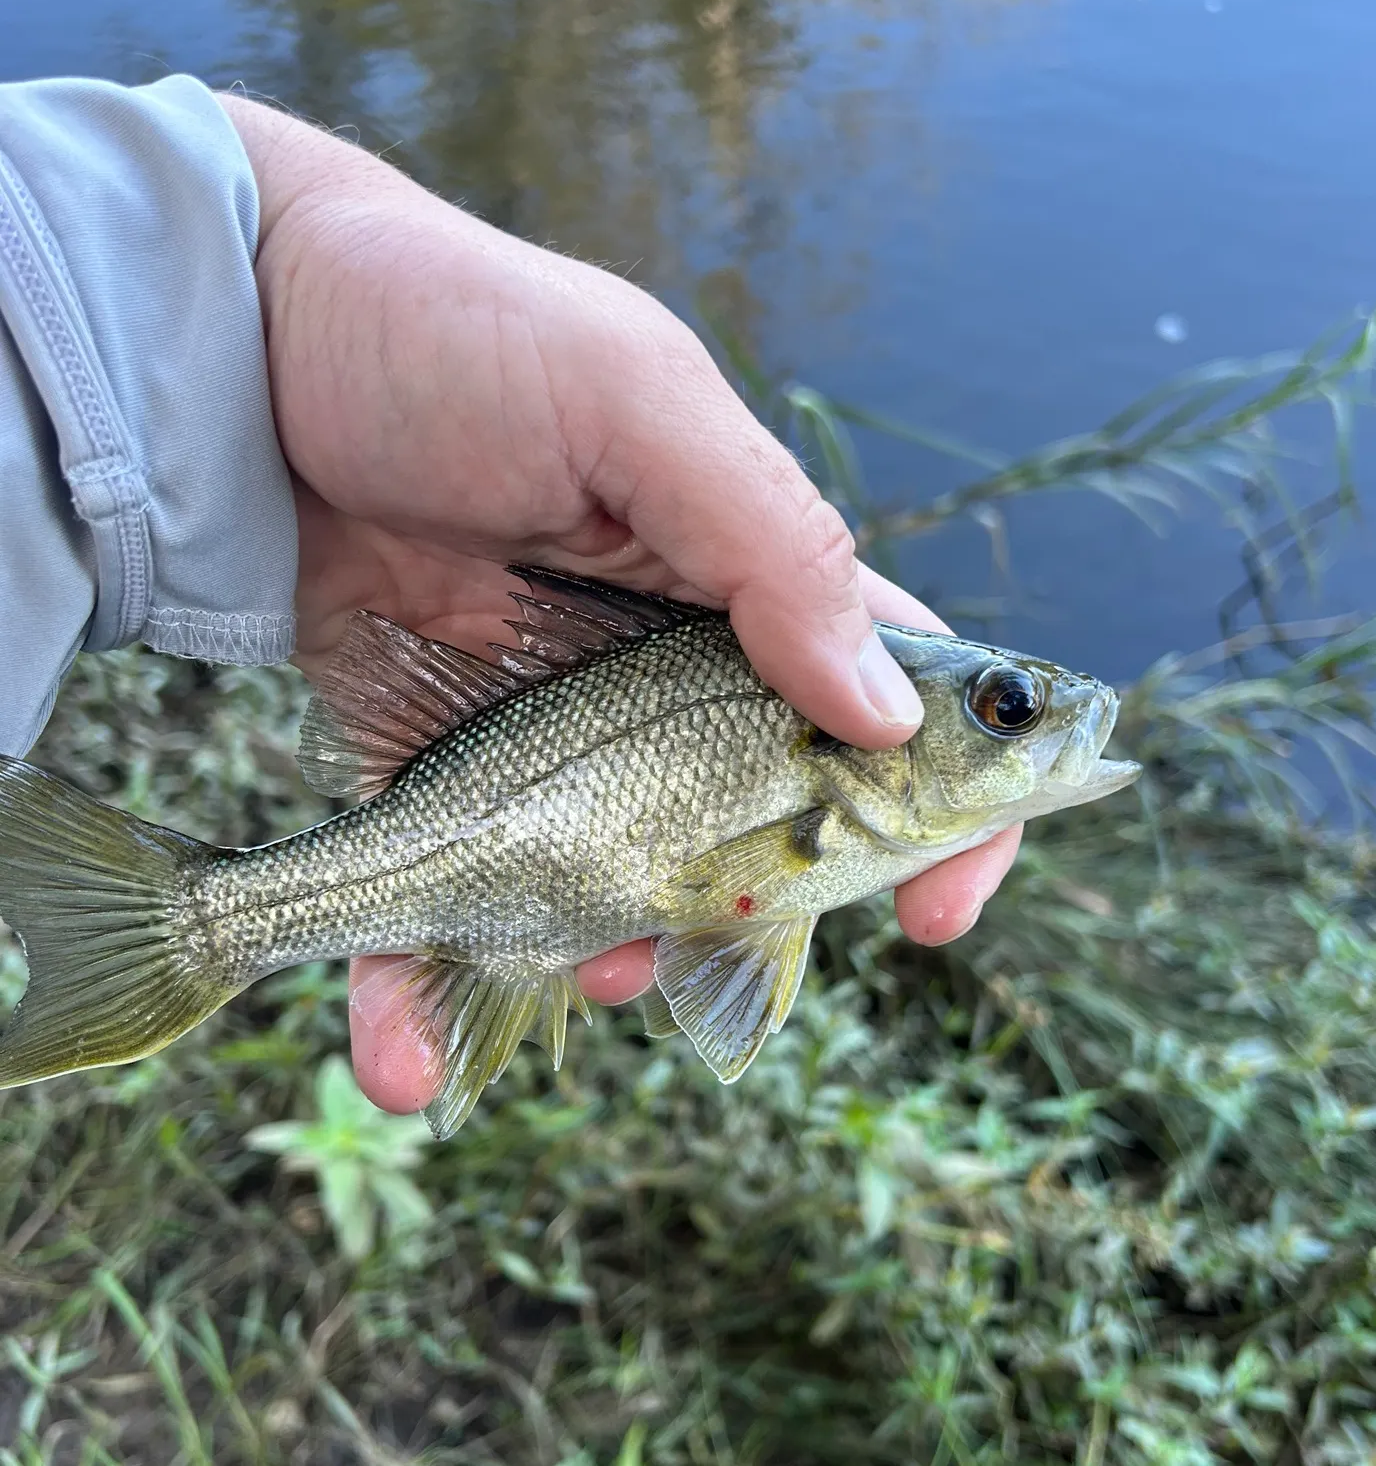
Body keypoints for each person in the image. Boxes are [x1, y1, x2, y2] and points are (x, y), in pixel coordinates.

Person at [0, 75, 1021, 1115]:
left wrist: (271, 246)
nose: (1029, 724)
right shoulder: (842, 712)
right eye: (1004, 708)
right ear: (877, 728)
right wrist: (274, 247)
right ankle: (195, 924)